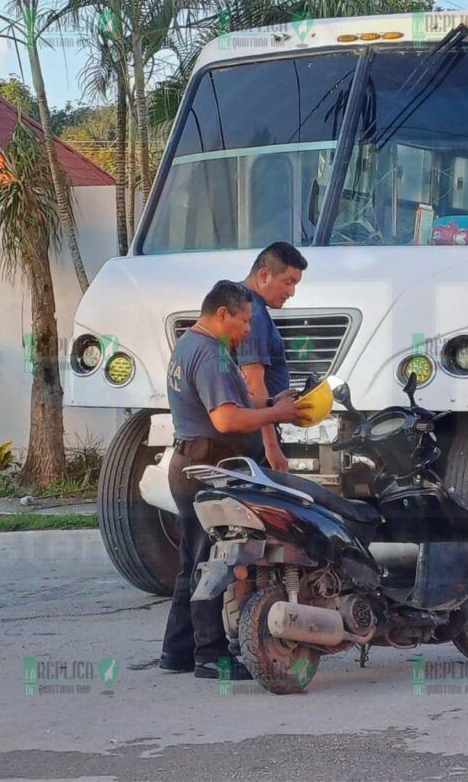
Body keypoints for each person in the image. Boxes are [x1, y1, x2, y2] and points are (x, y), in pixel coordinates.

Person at [159, 280, 306, 680]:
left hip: (193, 462)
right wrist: (275, 417)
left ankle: (177, 652)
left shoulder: (193, 343)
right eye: (242, 321)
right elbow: (225, 419)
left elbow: (235, 403)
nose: (246, 331)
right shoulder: (210, 354)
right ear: (222, 314)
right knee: (213, 564)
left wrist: (270, 402)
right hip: (207, 469)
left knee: (193, 561)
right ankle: (210, 657)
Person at [237, 242, 309, 473]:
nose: (292, 292)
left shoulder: (238, 301)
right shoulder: (253, 314)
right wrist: (271, 445)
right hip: (254, 436)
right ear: (265, 275)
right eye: (288, 282)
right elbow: (253, 381)